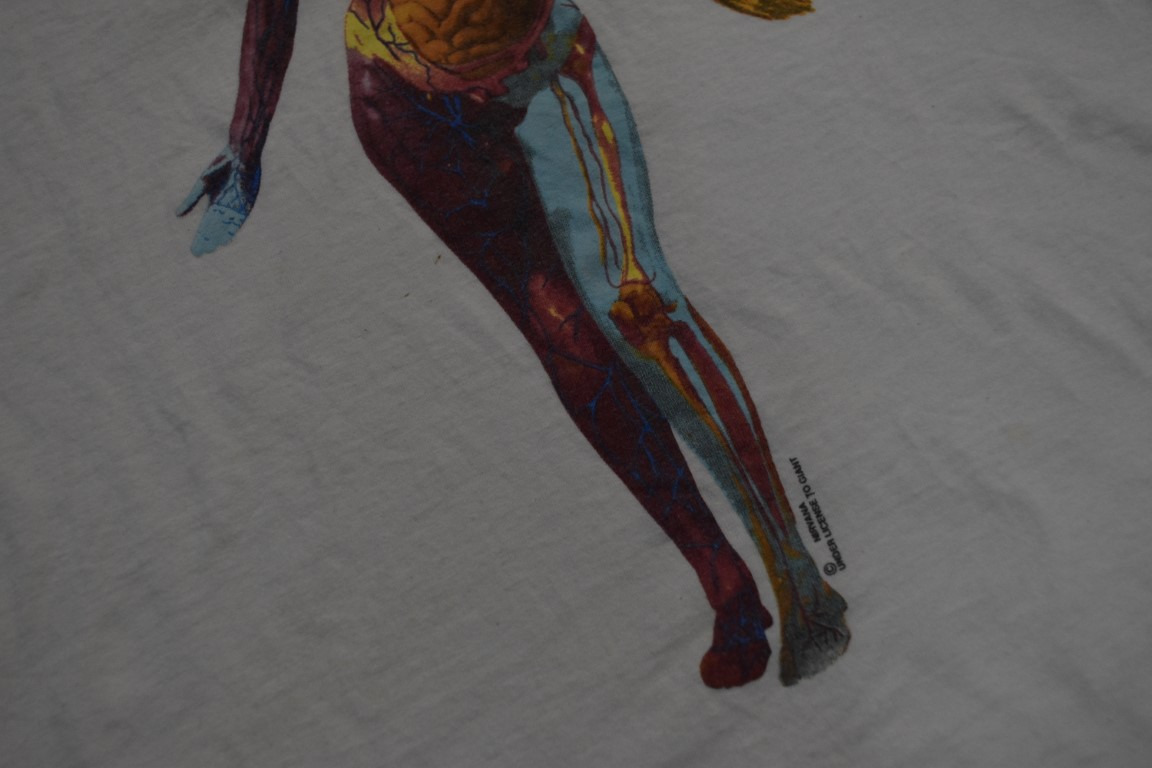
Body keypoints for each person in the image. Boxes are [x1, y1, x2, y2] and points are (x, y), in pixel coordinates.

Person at [177, 0, 847, 688]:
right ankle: (721, 575)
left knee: (640, 308)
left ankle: (797, 574)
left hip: (537, 59)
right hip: (404, 97)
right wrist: (246, 140)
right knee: (566, 340)